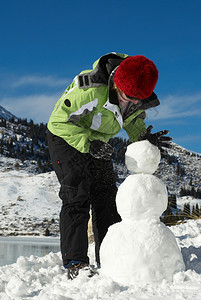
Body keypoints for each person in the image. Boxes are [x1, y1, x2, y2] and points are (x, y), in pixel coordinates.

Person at [47, 52, 171, 279]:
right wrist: (88, 143)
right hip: (66, 137)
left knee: (106, 194)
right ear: (116, 85)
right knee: (77, 194)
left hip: (96, 141)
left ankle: (109, 256)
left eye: (138, 99)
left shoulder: (134, 95)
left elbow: (132, 121)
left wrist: (143, 137)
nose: (133, 102)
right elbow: (58, 122)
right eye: (129, 96)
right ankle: (76, 262)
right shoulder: (90, 89)